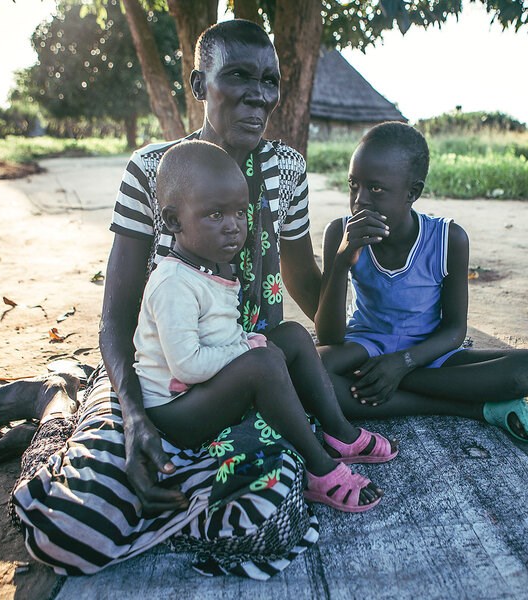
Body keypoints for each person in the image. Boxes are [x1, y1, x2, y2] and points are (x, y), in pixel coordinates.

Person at [0, 19, 346, 579]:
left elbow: (306, 290)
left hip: (249, 388)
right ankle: (57, 405)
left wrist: (348, 261)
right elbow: (116, 313)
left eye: (270, 81)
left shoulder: (288, 170)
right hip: (156, 384)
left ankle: (109, 451)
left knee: (269, 521)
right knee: (68, 531)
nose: (259, 94)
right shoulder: (152, 171)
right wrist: (134, 418)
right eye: (238, 75)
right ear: (198, 84)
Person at [135, 140, 394, 513]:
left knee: (290, 334)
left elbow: (223, 340)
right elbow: (187, 366)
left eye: (240, 214)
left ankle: (340, 433)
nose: (233, 227)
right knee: (264, 360)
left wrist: (247, 346)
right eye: (215, 215)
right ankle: (319, 468)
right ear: (174, 221)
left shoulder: (207, 265)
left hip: (207, 385)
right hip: (177, 411)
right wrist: (247, 349)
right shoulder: (173, 283)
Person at [314, 122, 528, 443]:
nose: (360, 200)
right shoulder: (339, 233)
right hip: (366, 347)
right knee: (308, 374)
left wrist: (402, 365)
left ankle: (395, 384)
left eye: (376, 189)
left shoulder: (448, 239)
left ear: (412, 192)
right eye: (353, 185)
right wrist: (343, 258)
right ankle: (473, 408)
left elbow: (455, 330)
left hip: (430, 354)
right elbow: (329, 336)